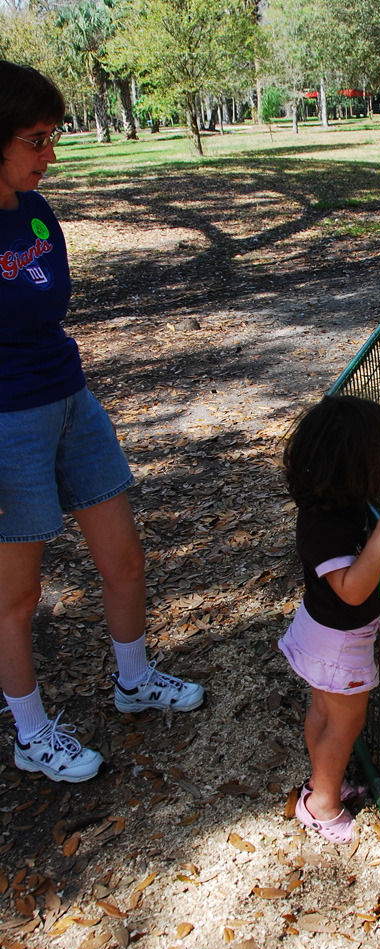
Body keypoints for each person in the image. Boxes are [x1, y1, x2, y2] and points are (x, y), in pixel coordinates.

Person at [0, 61, 204, 783]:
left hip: (70, 400)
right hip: (8, 425)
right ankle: (29, 732)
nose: (49, 155)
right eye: (36, 139)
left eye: (52, 137)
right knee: (17, 598)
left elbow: (45, 307)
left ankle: (133, 679)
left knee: (124, 558)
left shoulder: (33, 211)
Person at [279, 395, 380, 844]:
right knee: (344, 724)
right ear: (356, 470)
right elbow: (353, 588)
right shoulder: (328, 526)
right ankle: (323, 807)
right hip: (340, 643)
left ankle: (322, 783)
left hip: (322, 632)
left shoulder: (331, 495)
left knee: (323, 711)